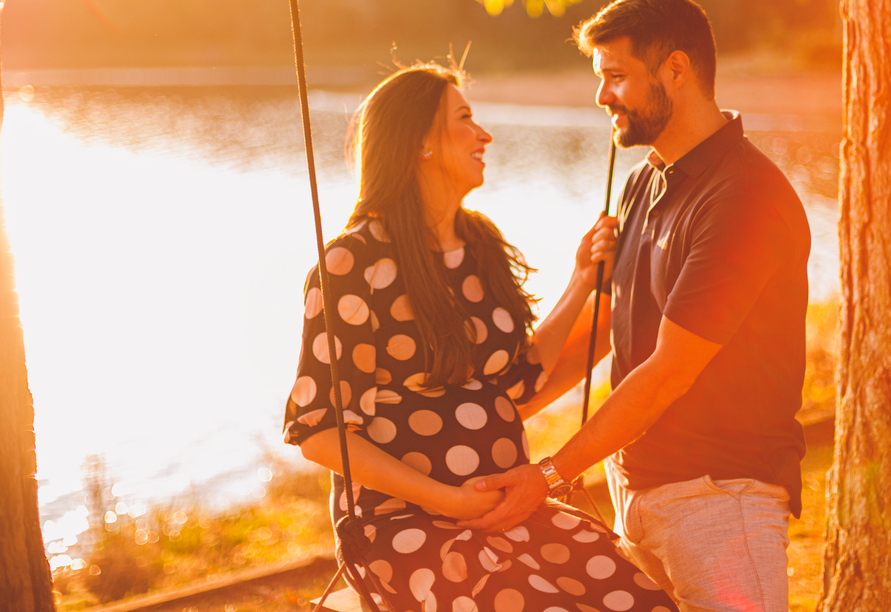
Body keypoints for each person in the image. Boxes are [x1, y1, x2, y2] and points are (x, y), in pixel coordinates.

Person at [464, 0, 811, 612]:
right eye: (602, 78)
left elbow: (669, 370)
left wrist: (550, 475)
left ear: (675, 69)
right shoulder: (643, 182)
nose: (603, 97)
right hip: (637, 492)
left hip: (721, 502)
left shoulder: (744, 198)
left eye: (617, 76)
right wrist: (491, 413)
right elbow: (607, 332)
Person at [283, 64, 676, 612]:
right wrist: (451, 502)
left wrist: (583, 282)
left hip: (511, 510)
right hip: (404, 529)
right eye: (465, 119)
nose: (484, 134)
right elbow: (321, 430)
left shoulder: (479, 243)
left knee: (643, 603)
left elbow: (516, 377)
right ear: (419, 142)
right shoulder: (353, 263)